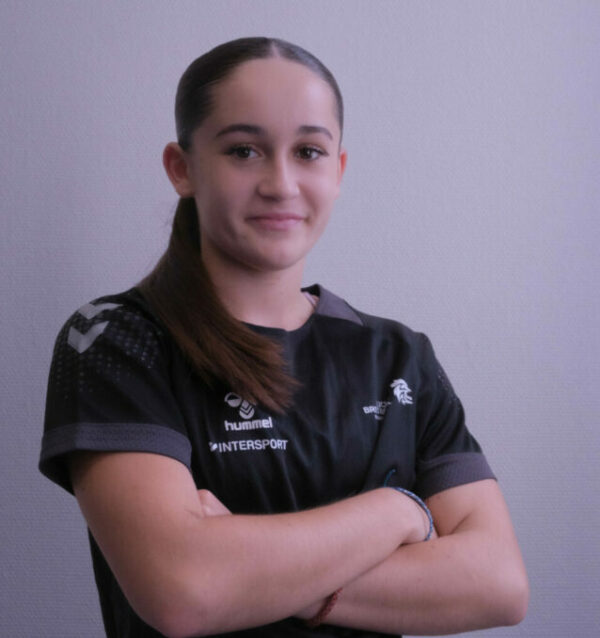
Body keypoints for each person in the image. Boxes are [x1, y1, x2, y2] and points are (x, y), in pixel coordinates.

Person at [39, 37, 528, 638]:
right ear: (182, 168)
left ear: (338, 171)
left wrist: (248, 571)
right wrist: (397, 511)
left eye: (308, 152)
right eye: (244, 150)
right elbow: (184, 592)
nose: (281, 183)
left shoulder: (400, 358)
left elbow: (498, 585)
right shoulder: (115, 340)